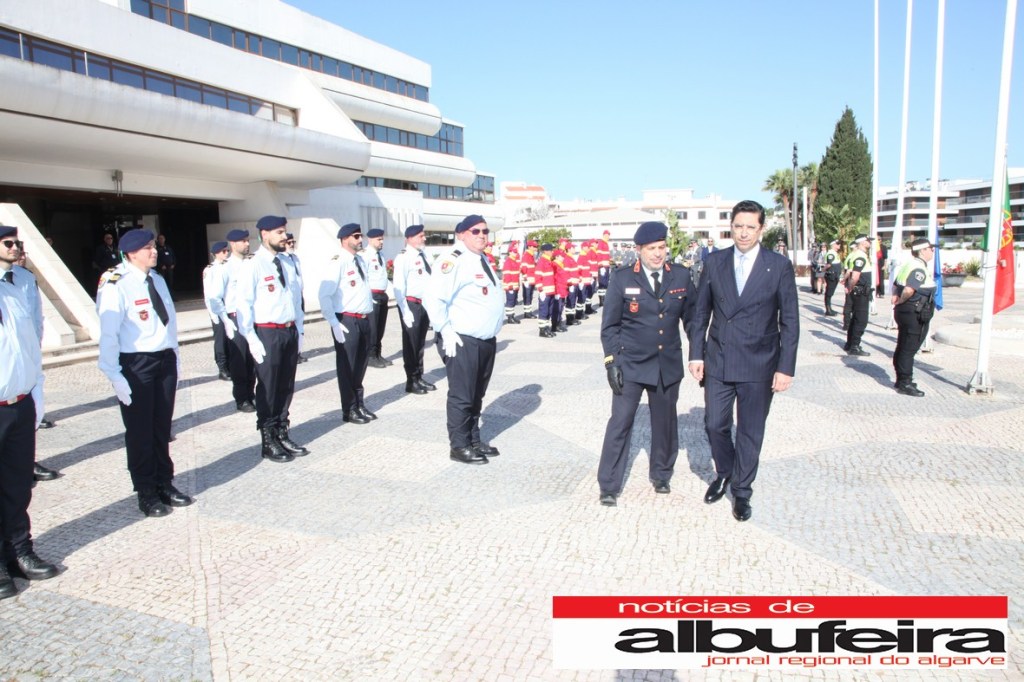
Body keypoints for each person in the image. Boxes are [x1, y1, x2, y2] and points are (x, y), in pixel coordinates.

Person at [687, 200, 799, 522]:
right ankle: (725, 471)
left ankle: (742, 490)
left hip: (760, 362)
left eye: (751, 227)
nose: (744, 233)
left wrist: (785, 367)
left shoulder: (778, 266)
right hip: (719, 358)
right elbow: (700, 312)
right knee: (714, 424)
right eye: (738, 226)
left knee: (750, 432)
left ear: (761, 229)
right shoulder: (715, 262)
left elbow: (790, 320)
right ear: (731, 227)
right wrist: (696, 354)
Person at [97, 228, 193, 517]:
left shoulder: (157, 280)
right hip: (136, 363)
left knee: (161, 427)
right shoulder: (115, 283)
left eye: (153, 246)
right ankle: (146, 490)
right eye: (148, 248)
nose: (154, 251)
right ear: (131, 253)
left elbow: (169, 323)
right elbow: (109, 334)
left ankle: (164, 482)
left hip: (164, 359)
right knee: (140, 431)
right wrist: (114, 374)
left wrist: (174, 357)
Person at [598, 221, 694, 507]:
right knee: (620, 422)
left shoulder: (680, 276)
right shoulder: (622, 278)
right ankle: (609, 484)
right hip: (631, 364)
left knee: (665, 422)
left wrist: (699, 354)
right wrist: (612, 362)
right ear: (639, 249)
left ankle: (662, 473)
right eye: (651, 248)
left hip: (667, 364)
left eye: (662, 247)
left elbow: (693, 320)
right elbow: (610, 326)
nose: (658, 254)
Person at [423, 214, 504, 465]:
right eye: (475, 231)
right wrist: (445, 330)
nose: (482, 235)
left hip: (485, 340)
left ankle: (473, 439)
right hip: (462, 339)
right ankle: (459, 446)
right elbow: (433, 298)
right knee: (463, 394)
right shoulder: (453, 260)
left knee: (477, 393)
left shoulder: (481, 258)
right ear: (461, 234)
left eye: (485, 231)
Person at [0, 262, 60, 598]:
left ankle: (19, 551)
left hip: (19, 403)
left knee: (18, 485)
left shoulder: (14, 287)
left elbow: (28, 344)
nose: (14, 248)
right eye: (7, 242)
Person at [235, 215, 307, 462]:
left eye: (285, 232)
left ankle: (282, 432)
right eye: (279, 232)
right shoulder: (253, 265)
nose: (284, 236)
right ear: (264, 234)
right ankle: (268, 440)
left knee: (286, 385)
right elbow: (243, 305)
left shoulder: (286, 262)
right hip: (267, 332)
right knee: (269, 386)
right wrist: (251, 338)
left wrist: (299, 330)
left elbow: (295, 299)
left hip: (288, 330)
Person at [0, 228, 61, 482]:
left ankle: (28, 462)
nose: (15, 248)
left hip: (25, 364)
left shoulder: (23, 280)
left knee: (29, 420)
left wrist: (33, 353)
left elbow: (35, 317)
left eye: (17, 243)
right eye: (8, 243)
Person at [319, 223, 376, 425]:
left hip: (363, 319)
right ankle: (349, 409)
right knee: (348, 367)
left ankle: (359, 404)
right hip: (347, 320)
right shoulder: (338, 262)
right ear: (344, 239)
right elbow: (324, 295)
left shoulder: (359, 260)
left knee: (360, 365)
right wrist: (333, 322)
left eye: (360, 236)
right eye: (356, 236)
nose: (360, 240)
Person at [392, 224, 436, 395]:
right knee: (411, 343)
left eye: (424, 235)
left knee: (420, 343)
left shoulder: (423, 254)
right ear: (409, 238)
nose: (424, 238)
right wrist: (405, 310)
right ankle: (411, 380)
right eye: (420, 236)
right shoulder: (403, 258)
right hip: (411, 305)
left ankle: (419, 376)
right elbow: (398, 287)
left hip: (424, 304)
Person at [891, 238, 937, 397]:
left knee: (903, 345)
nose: (932, 251)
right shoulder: (918, 268)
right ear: (922, 251)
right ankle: (905, 382)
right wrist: (901, 300)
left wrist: (896, 298)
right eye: (930, 249)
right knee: (909, 348)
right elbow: (909, 290)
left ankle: (901, 379)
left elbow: (896, 285)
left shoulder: (909, 265)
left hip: (906, 311)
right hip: (913, 312)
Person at [222, 229, 257, 412]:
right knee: (239, 359)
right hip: (235, 317)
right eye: (243, 241)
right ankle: (242, 398)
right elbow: (215, 297)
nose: (247, 244)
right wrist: (225, 320)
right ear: (233, 244)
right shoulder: (225, 267)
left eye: (247, 240)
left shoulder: (252, 264)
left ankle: (251, 393)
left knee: (253, 357)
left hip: (253, 315)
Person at [362, 228, 392, 368]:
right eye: (378, 239)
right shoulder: (365, 255)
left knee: (380, 327)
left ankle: (378, 353)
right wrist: (368, 296)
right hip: (372, 295)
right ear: (370, 240)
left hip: (382, 294)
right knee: (373, 328)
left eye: (382, 239)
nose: (381, 242)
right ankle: (371, 356)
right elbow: (363, 278)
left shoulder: (381, 254)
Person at [202, 241, 232, 380]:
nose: (226, 253)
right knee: (221, 339)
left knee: (231, 337)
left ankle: (231, 365)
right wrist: (213, 313)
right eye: (223, 251)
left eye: (227, 251)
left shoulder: (229, 266)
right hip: (217, 308)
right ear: (216, 254)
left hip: (230, 306)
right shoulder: (210, 270)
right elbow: (208, 293)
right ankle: (222, 367)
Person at [842, 234, 873, 357]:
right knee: (861, 320)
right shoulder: (860, 256)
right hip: (860, 292)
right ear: (862, 242)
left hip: (858, 291)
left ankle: (850, 343)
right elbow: (855, 276)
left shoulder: (856, 255)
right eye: (868, 241)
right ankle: (855, 346)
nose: (870, 242)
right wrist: (850, 286)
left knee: (855, 318)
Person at [283, 232, 307, 363]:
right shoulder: (282, 260)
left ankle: (298, 351)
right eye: (289, 243)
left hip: (299, 296)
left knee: (300, 324)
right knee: (292, 326)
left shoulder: (295, 258)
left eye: (293, 242)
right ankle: (292, 352)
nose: (292, 245)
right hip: (290, 298)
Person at [535, 244, 556, 338]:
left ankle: (547, 328)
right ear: (545, 251)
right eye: (551, 250)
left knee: (549, 311)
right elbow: (538, 275)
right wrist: (540, 289)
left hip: (551, 291)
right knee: (544, 311)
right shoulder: (542, 261)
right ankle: (542, 330)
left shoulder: (548, 261)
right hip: (545, 291)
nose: (552, 252)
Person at [501, 242, 521, 324]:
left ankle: (512, 315)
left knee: (513, 301)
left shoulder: (514, 261)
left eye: (516, 252)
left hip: (514, 285)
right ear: (510, 252)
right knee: (510, 301)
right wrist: (510, 286)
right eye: (514, 252)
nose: (515, 254)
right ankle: (509, 317)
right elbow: (507, 274)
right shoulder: (508, 261)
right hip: (510, 286)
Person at [822, 240, 842, 316]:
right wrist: (822, 270)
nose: (839, 245)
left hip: (835, 275)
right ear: (833, 245)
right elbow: (829, 264)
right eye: (838, 244)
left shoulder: (834, 253)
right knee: (829, 293)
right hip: (831, 276)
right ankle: (828, 310)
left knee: (830, 293)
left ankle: (830, 308)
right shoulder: (831, 253)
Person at [520, 240, 538, 318]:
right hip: (528, 280)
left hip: (531, 279)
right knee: (527, 296)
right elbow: (523, 267)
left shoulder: (531, 255)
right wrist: (525, 278)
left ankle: (528, 312)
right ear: (529, 247)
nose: (535, 248)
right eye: (534, 246)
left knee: (530, 296)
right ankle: (527, 313)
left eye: (536, 246)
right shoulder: (526, 255)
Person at [155, 233, 176, 299]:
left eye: (162, 238)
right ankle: (164, 297)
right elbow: (156, 259)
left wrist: (173, 264)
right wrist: (161, 265)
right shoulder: (156, 249)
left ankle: (171, 297)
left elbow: (173, 256)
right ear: (158, 240)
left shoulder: (168, 247)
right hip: (161, 269)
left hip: (169, 268)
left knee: (170, 282)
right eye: (160, 238)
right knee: (163, 283)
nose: (161, 240)